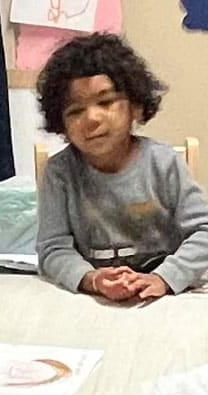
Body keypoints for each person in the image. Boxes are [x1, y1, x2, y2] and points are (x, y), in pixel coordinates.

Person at [36, 32, 208, 301]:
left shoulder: (164, 164)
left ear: (136, 107)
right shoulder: (60, 173)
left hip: (166, 298)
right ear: (61, 126)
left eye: (105, 102)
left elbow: (204, 233)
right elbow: (52, 249)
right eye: (75, 111)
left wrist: (165, 277)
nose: (91, 118)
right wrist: (92, 280)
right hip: (94, 303)